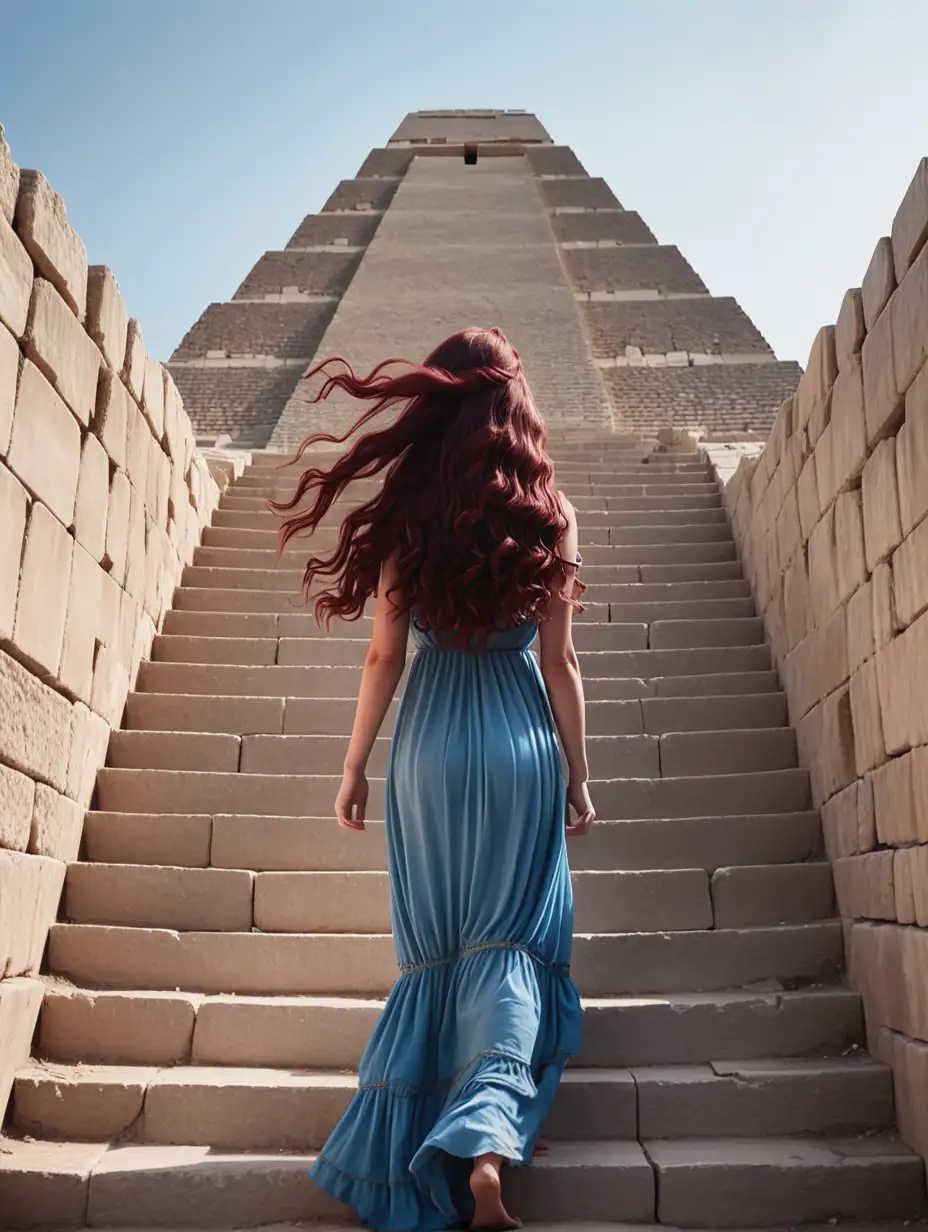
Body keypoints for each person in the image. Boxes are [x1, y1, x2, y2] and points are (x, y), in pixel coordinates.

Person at [273, 326, 595, 1232]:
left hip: (428, 751)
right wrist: (578, 776)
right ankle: (485, 1144)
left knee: (438, 955)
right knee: (506, 947)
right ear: (516, 410)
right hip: (519, 741)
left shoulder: (410, 512)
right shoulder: (551, 512)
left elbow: (383, 656)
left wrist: (353, 767)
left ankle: (414, 1135)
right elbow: (563, 665)